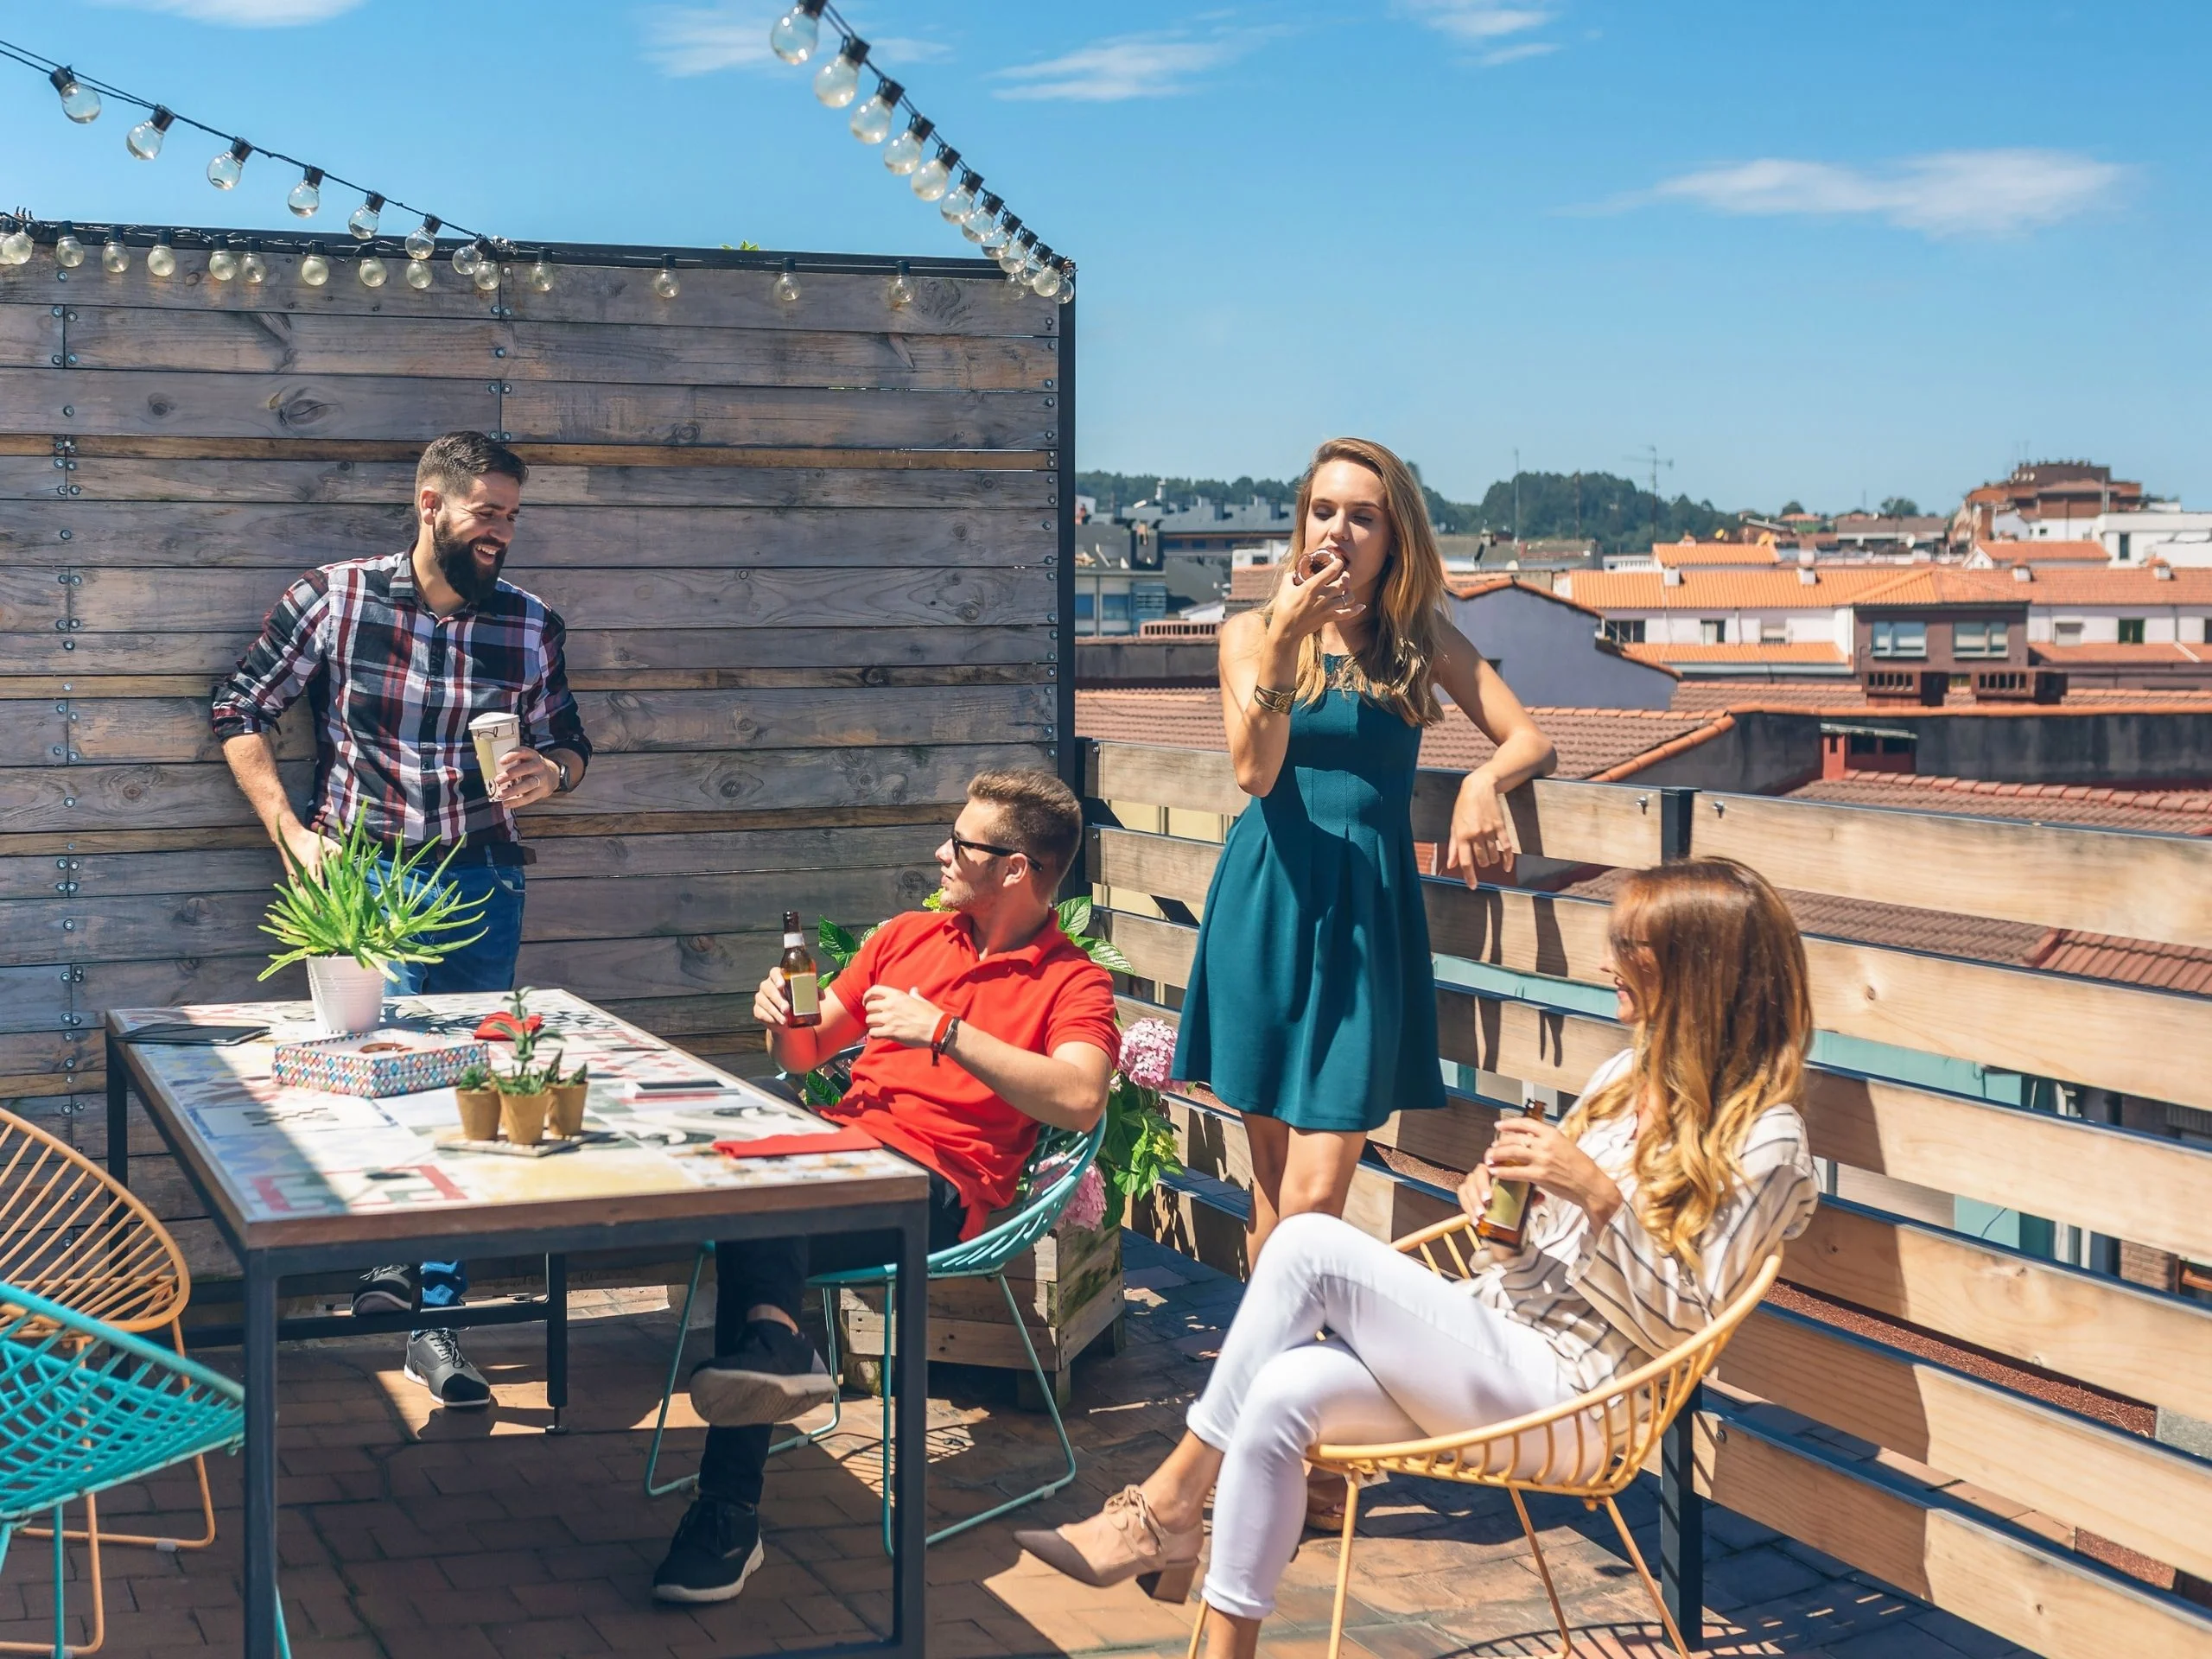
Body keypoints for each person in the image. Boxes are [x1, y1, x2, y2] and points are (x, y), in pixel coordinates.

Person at [1018, 857, 1821, 1659]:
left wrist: (1596, 1195)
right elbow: (1542, 1252)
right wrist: (1507, 1211)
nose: (1607, 961)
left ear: (1698, 971)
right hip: (1499, 1343)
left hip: (1580, 1400)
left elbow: (1686, 1323)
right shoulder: (1625, 1076)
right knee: (1281, 1391)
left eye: (1628, 946)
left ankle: (1166, 1509)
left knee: (1307, 1243)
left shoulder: (1767, 1140)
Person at [1173, 437, 1554, 1522]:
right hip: (1266, 906)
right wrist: (1288, 637)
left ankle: (1260, 1451)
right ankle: (1297, 1455)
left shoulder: (1419, 641)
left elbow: (1528, 737)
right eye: (1323, 510)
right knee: (1270, 1197)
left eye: (1362, 515)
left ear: (1395, 539)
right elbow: (1254, 770)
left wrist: (1481, 783)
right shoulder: (1250, 632)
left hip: (1362, 925)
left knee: (1311, 1205)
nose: (1337, 530)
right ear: (1300, 523)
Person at [650, 769, 1120, 1605]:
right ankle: (774, 1351)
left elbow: (1082, 1097)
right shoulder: (906, 937)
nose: (941, 853)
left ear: (1016, 868)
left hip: (939, 1188)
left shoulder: (1071, 979)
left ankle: (728, 1506)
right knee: (742, 1178)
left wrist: (947, 1032)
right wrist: (781, 1016)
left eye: (962, 843)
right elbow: (804, 1052)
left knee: (770, 1207)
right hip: (843, 1152)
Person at [210, 430, 591, 1410]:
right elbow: (239, 707)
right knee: (376, 1080)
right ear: (431, 504)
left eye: (512, 516)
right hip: (362, 883)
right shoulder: (335, 599)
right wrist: (290, 833)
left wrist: (550, 774)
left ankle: (436, 1319)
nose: (501, 532)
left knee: (469, 1088)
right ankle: (383, 1261)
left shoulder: (530, 623)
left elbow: (569, 742)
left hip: (482, 878)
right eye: (486, 513)